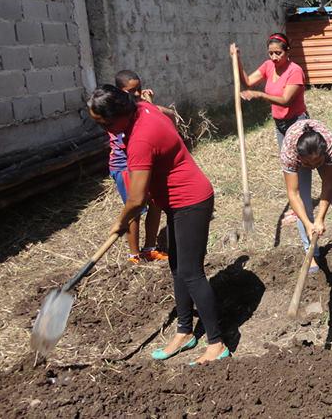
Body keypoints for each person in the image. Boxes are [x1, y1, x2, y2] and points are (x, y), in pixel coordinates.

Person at [88, 85, 229, 365]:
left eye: (104, 123)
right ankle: (184, 331)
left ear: (118, 115)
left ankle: (217, 343)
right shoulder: (142, 107)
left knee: (192, 273)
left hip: (191, 201)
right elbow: (168, 115)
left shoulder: (140, 139)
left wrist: (120, 223)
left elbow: (137, 199)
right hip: (177, 202)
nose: (104, 129)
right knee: (177, 267)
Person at [231, 33, 309, 224]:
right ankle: (295, 205)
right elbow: (248, 81)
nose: (274, 57)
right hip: (280, 125)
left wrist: (259, 95)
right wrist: (237, 60)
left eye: (278, 53)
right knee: (288, 166)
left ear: (287, 51)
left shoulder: (295, 71)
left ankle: (302, 207)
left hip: (297, 123)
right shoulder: (268, 66)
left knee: (301, 165)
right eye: (271, 53)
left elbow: (285, 100)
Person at [279, 119, 332, 273]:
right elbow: (293, 193)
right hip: (297, 157)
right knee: (304, 208)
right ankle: (311, 253)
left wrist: (320, 219)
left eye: (316, 162)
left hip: (324, 157)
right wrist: (308, 224)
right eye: (308, 164)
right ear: (300, 158)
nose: (313, 167)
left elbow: (328, 184)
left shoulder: (330, 146)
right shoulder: (289, 153)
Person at [110, 70, 167, 263]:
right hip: (125, 167)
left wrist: (147, 104)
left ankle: (150, 247)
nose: (136, 94)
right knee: (134, 209)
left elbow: (161, 116)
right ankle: (134, 254)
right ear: (119, 92)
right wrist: (148, 105)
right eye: (130, 91)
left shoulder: (138, 107)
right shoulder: (117, 113)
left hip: (143, 164)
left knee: (155, 202)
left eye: (139, 89)